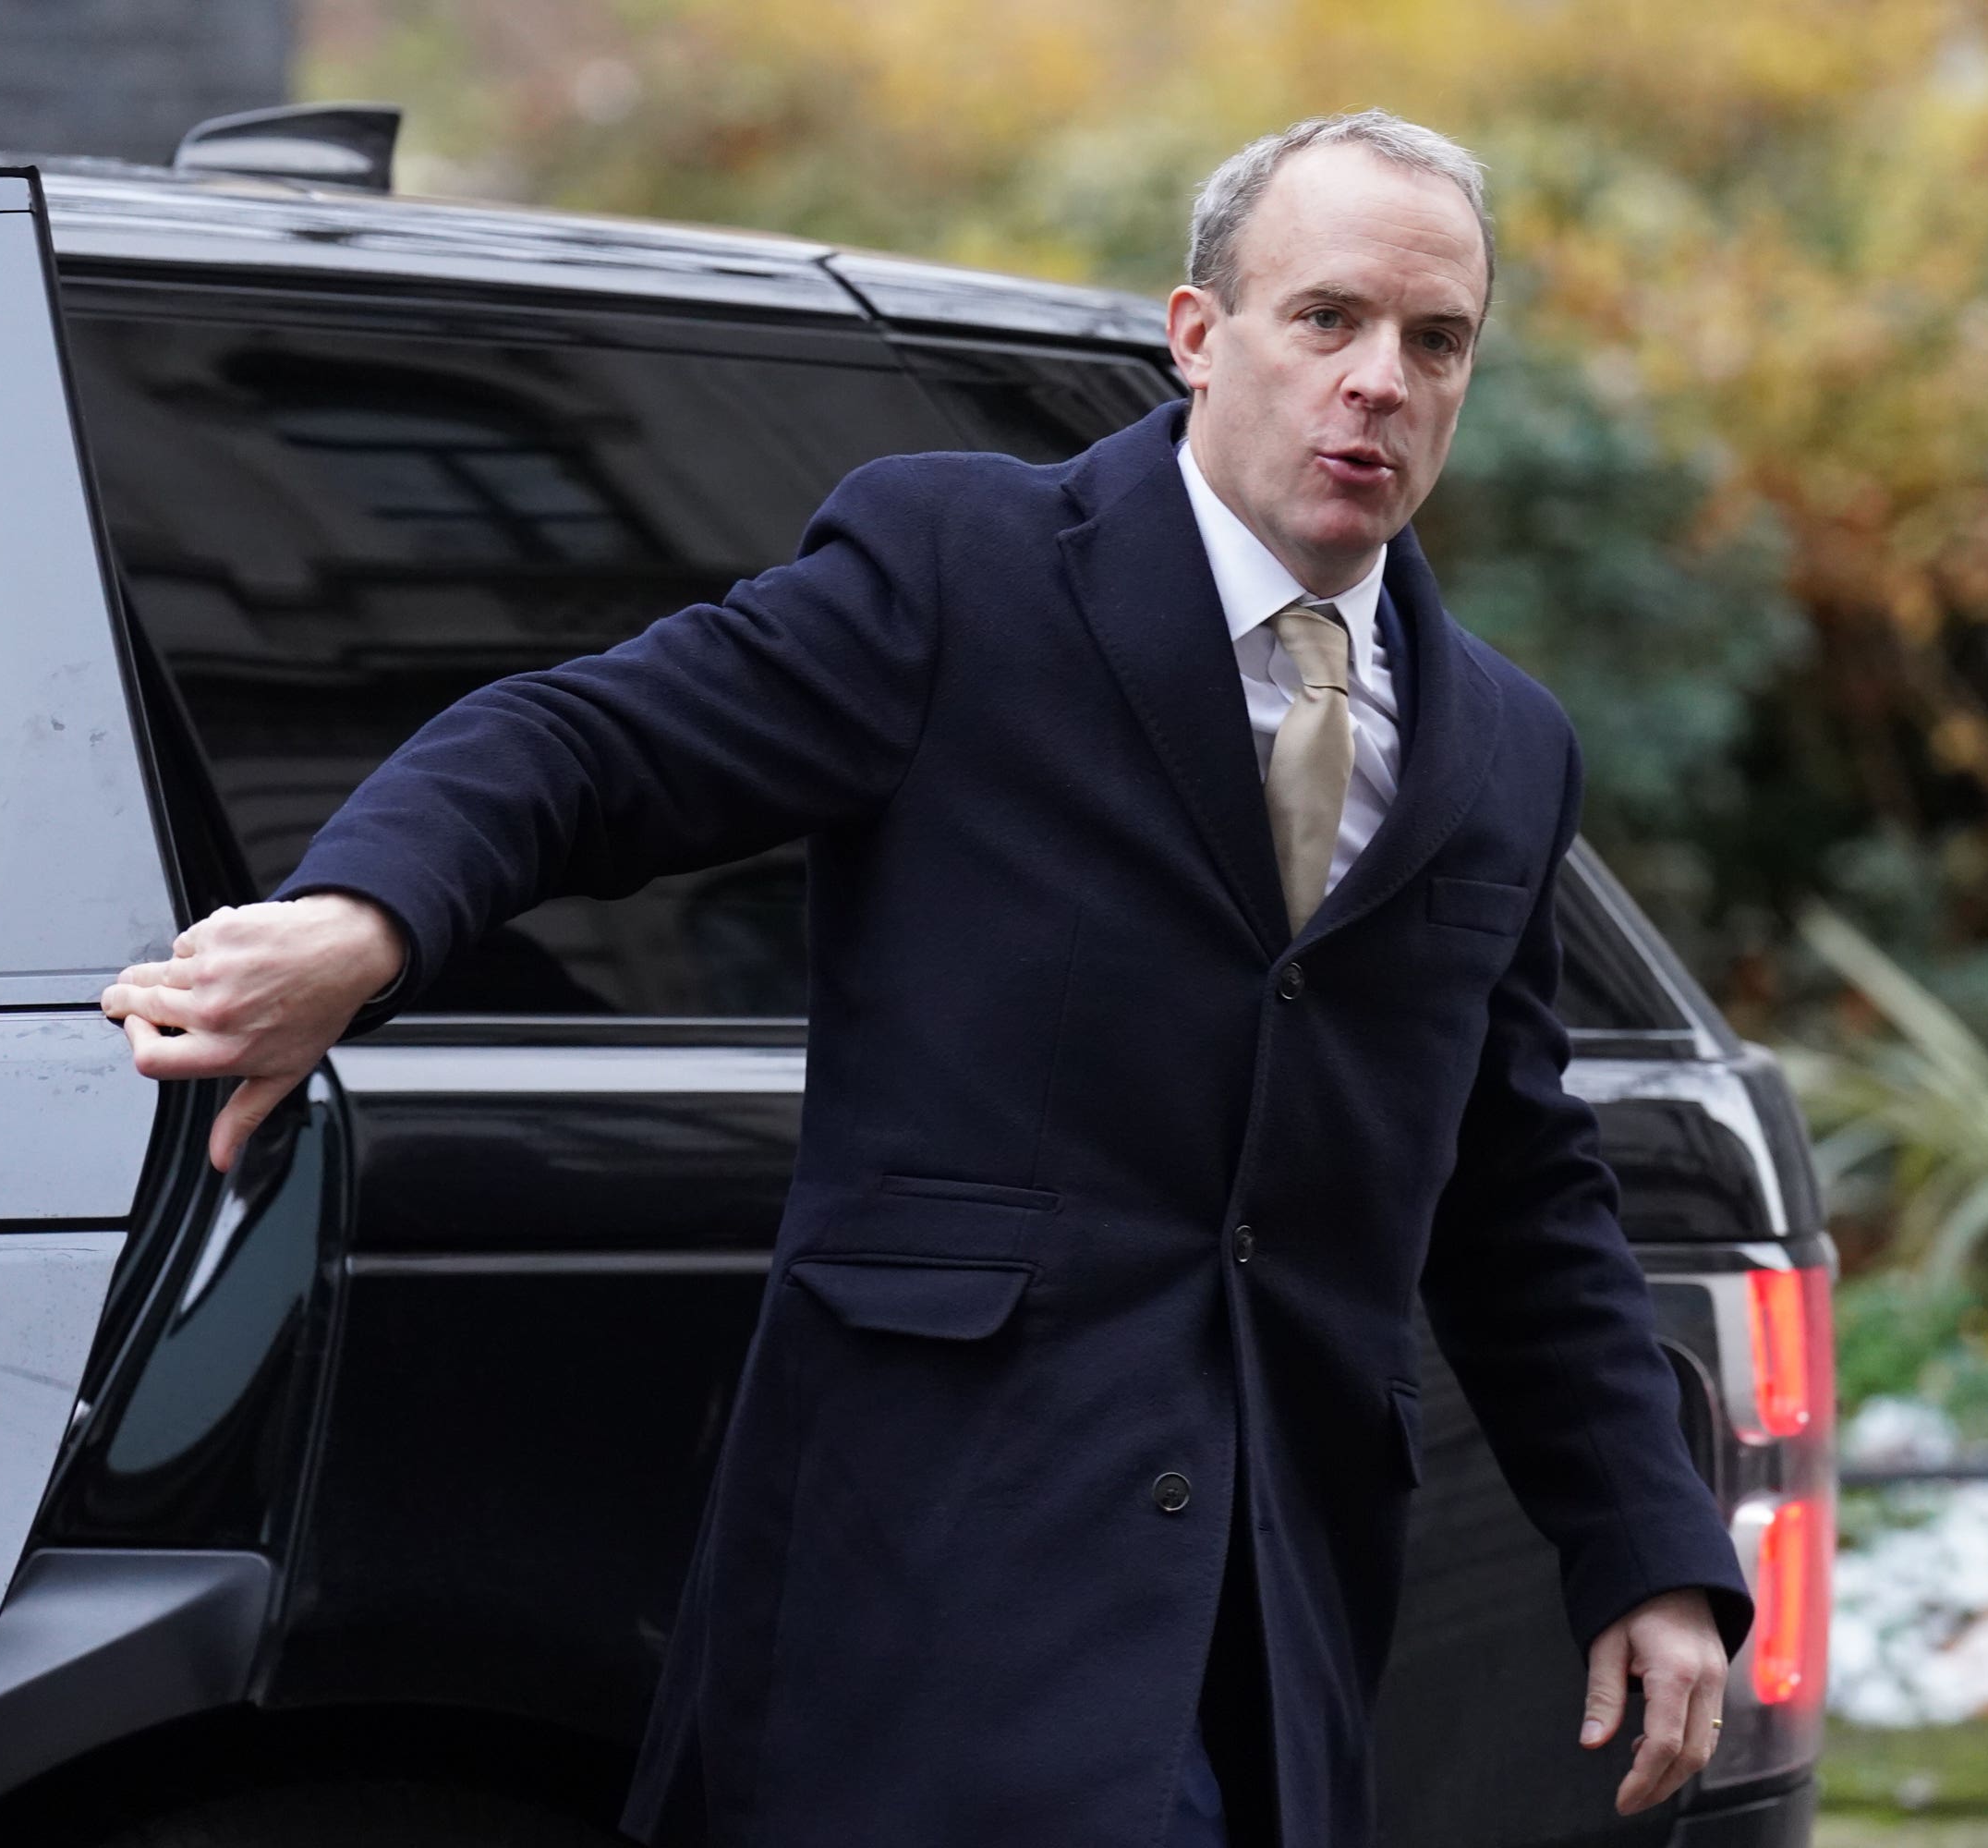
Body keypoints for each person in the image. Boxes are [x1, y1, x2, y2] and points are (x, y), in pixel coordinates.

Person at [102, 109, 1750, 1848]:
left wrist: (1644, 1545)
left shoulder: (1502, 746)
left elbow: (1519, 1188)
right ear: (1198, 338)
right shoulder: (959, 571)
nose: (1380, 383)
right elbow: (588, 744)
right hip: (937, 1592)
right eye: (1324, 319)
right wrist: (364, 925)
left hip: (1269, 1626)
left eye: (1436, 341)